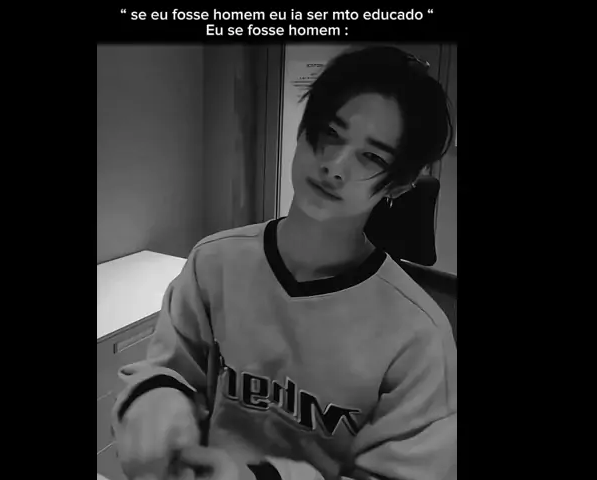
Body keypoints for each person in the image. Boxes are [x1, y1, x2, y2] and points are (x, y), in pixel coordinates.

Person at [111, 45, 457, 480]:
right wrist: (155, 402)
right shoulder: (214, 263)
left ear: (399, 185)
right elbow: (167, 370)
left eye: (372, 157)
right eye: (330, 132)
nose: (334, 165)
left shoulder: (419, 337)